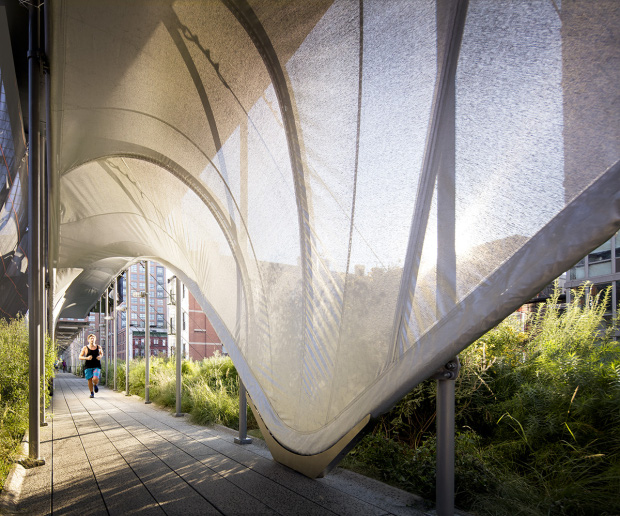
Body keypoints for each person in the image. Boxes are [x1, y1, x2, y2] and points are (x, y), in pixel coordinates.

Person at [79, 334, 103, 398]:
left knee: (95, 378)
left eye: (93, 338)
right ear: (88, 340)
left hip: (96, 365)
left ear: (95, 339)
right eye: (91, 338)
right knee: (89, 380)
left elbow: (101, 353)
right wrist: (86, 358)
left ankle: (95, 384)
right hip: (88, 366)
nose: (92, 339)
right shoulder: (85, 348)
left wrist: (100, 357)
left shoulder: (99, 347)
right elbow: (80, 357)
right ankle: (92, 393)